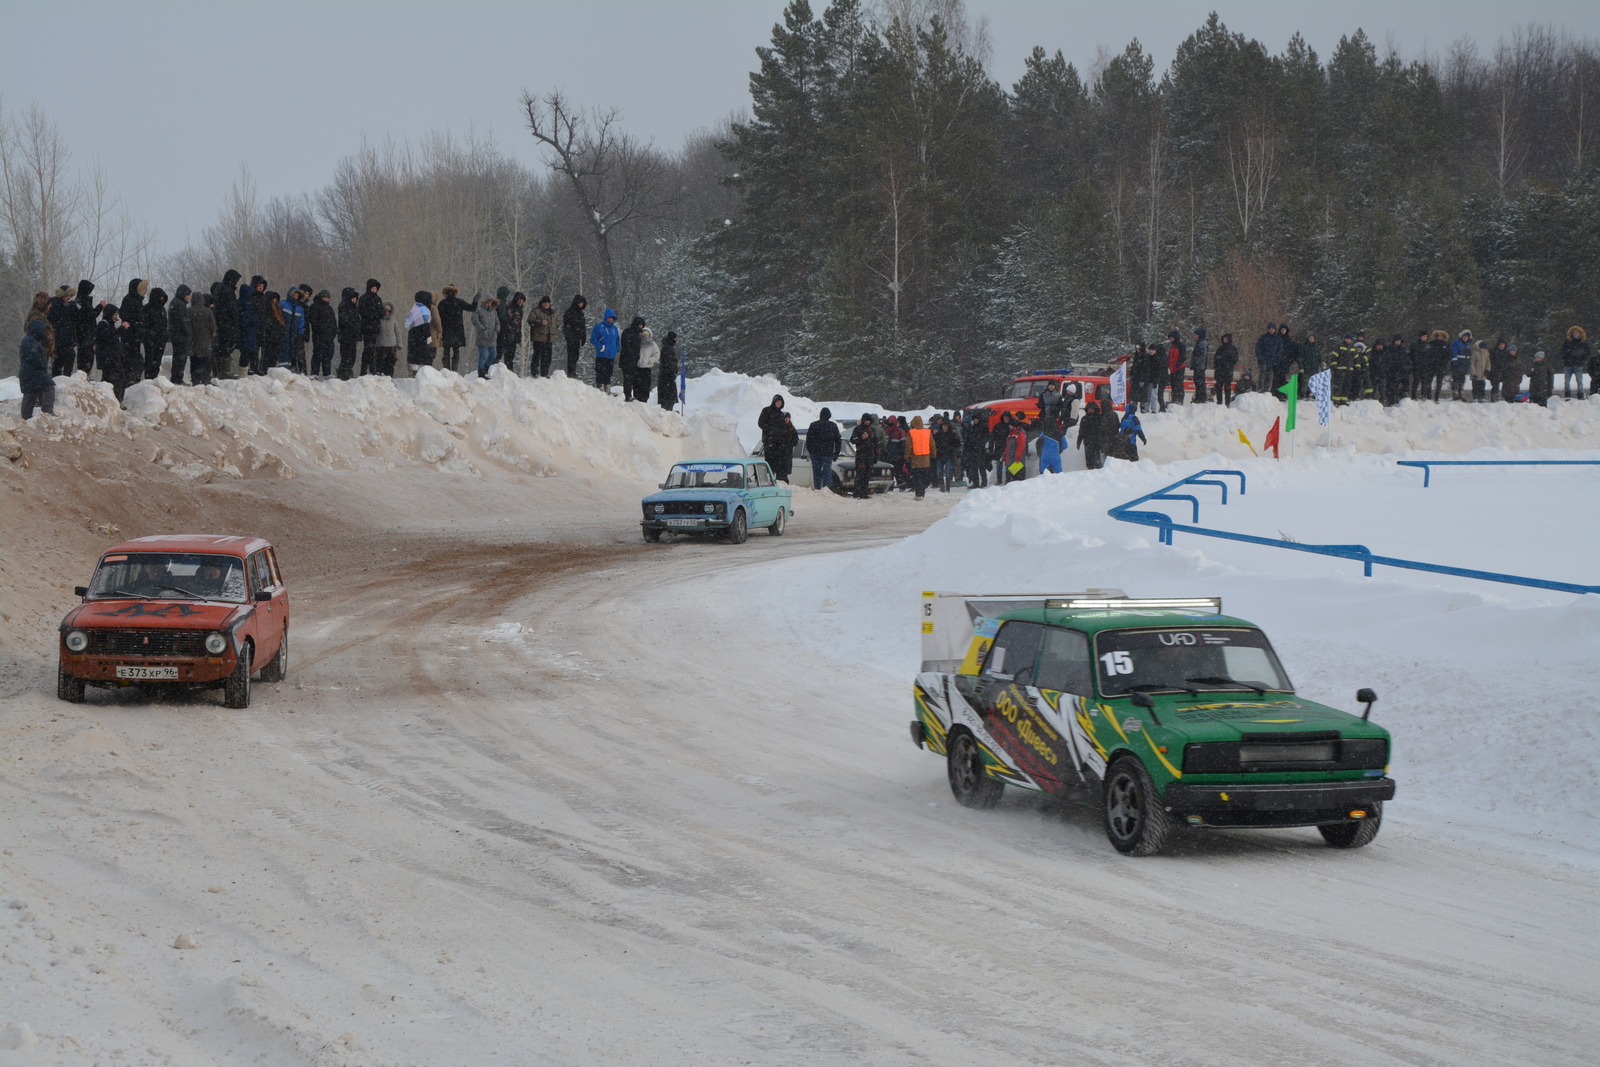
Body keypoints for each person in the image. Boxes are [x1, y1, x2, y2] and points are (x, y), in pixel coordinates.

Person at [19, 320, 54, 418]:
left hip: (29, 373)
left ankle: (26, 417)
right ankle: (47, 412)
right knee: (48, 387)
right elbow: (34, 357)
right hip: (33, 373)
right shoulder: (30, 342)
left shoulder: (30, 340)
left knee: (30, 394)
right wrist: (42, 364)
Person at [95, 305, 129, 400]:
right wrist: (121, 329)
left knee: (119, 379)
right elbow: (109, 338)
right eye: (114, 314)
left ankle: (118, 400)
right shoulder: (103, 325)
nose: (116, 316)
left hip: (113, 359)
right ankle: (113, 400)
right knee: (112, 381)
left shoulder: (110, 325)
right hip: (108, 360)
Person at [211, 270, 241, 377]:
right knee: (226, 347)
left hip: (221, 322)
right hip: (227, 323)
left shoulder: (220, 289)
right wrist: (235, 320)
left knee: (221, 347)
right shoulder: (228, 291)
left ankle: (219, 372)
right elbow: (232, 309)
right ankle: (225, 371)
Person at [436, 285, 471, 373]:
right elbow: (471, 308)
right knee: (456, 350)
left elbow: (438, 318)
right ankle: (454, 372)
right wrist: (475, 301)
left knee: (446, 351)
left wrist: (439, 329)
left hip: (447, 330)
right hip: (457, 330)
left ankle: (447, 371)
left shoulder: (442, 303)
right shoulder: (459, 302)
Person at [46, 285, 76, 377]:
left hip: (66, 339)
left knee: (66, 359)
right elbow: (57, 319)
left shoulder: (65, 305)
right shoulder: (54, 304)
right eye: (67, 295)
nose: (69, 298)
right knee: (60, 361)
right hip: (59, 339)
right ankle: (60, 379)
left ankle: (64, 378)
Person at [306, 290, 336, 378]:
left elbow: (333, 322)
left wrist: (334, 331)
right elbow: (313, 321)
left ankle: (327, 373)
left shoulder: (329, 308)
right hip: (319, 335)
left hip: (329, 336)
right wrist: (321, 329)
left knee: (328, 355)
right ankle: (314, 372)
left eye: (327, 298)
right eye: (324, 297)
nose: (326, 299)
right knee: (318, 354)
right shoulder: (315, 307)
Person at [120, 279, 147, 372]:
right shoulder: (129, 299)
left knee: (135, 358)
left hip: (135, 334)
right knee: (130, 359)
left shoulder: (137, 300)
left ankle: (133, 376)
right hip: (130, 334)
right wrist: (136, 322)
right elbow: (124, 314)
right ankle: (130, 377)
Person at [167, 285, 193, 384]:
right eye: (187, 294)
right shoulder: (179, 304)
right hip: (180, 336)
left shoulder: (175, 303)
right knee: (180, 359)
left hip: (177, 335)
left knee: (178, 358)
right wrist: (188, 332)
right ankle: (177, 378)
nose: (188, 297)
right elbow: (183, 321)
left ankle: (176, 377)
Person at [358, 278, 384, 374]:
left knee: (371, 349)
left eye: (375, 288)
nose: (374, 290)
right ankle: (369, 369)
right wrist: (373, 314)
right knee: (368, 348)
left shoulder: (378, 299)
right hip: (366, 327)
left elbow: (381, 312)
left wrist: (375, 315)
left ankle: (367, 369)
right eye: (372, 288)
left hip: (375, 327)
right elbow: (362, 311)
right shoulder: (364, 298)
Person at [849, 414, 879, 498]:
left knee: (867, 475)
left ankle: (864, 493)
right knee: (860, 475)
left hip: (870, 456)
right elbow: (852, 440)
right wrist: (861, 438)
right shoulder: (858, 429)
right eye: (865, 420)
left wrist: (876, 455)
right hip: (861, 456)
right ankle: (857, 493)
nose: (867, 422)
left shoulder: (872, 430)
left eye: (868, 420)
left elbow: (875, 444)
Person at [190, 290, 216, 385]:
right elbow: (213, 327)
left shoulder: (189, 311)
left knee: (194, 361)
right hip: (205, 341)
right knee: (205, 361)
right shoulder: (207, 311)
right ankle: (205, 379)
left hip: (193, 341)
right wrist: (210, 336)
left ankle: (195, 380)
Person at [589, 308, 619, 389]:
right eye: (609, 318)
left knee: (609, 373)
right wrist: (600, 346)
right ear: (605, 317)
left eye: (612, 318)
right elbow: (593, 339)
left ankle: (607, 387)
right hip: (601, 355)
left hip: (611, 355)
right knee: (600, 372)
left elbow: (617, 340)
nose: (610, 319)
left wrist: (617, 348)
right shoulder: (599, 327)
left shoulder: (615, 329)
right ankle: (600, 387)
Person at [336, 287, 362, 379]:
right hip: (346, 335)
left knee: (351, 356)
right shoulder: (344, 306)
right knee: (346, 356)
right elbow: (345, 321)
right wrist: (354, 327)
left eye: (355, 298)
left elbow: (357, 321)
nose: (354, 300)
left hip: (352, 335)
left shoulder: (353, 307)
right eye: (353, 298)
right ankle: (344, 373)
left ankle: (347, 372)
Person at [619, 315, 646, 400]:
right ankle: (627, 395)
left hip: (633, 360)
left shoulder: (637, 334)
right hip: (627, 359)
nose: (641, 327)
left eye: (642, 326)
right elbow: (625, 345)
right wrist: (631, 354)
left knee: (632, 379)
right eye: (640, 325)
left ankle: (631, 395)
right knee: (628, 378)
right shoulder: (628, 332)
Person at [406, 291, 436, 370]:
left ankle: (414, 372)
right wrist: (428, 335)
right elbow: (425, 324)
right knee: (424, 356)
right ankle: (424, 373)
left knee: (414, 357)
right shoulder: (424, 310)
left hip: (413, 336)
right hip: (421, 336)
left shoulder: (414, 309)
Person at [767, 411, 799, 483]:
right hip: (778, 455)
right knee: (779, 475)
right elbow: (773, 440)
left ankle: (784, 484)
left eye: (788, 418)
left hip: (787, 455)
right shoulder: (778, 428)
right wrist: (779, 446)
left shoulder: (792, 429)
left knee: (784, 474)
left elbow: (795, 440)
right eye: (785, 418)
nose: (787, 419)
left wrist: (789, 444)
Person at [472, 295, 500, 376]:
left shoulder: (493, 311)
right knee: (483, 355)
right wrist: (482, 328)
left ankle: (486, 368)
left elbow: (497, 322)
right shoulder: (478, 310)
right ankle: (481, 371)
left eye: (490, 302)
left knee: (493, 354)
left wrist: (496, 330)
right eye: (487, 302)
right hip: (482, 337)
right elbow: (475, 320)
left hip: (492, 337)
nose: (489, 304)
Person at [74, 280, 97, 375]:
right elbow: (90, 315)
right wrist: (100, 307)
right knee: (85, 358)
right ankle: (83, 375)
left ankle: (85, 374)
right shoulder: (80, 302)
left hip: (87, 334)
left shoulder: (84, 301)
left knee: (88, 358)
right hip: (84, 334)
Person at [528, 296, 555, 378]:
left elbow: (557, 322)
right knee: (537, 355)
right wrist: (540, 322)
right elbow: (530, 321)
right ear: (542, 303)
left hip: (549, 338)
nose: (547, 304)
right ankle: (534, 372)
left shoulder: (553, 313)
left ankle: (545, 373)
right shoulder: (535, 311)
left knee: (547, 357)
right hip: (538, 338)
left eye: (548, 302)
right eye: (545, 302)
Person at [1560, 326, 1590, 398]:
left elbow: (1587, 352)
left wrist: (1582, 358)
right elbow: (1562, 351)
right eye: (1574, 332)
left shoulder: (1583, 343)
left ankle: (1580, 394)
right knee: (1567, 381)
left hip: (1578, 365)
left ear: (1580, 333)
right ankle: (1567, 394)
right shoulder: (1567, 342)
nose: (1575, 334)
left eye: (1577, 332)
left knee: (1579, 381)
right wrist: (1566, 357)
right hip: (1568, 364)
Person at [1076, 397, 1105, 470]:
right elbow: (1081, 431)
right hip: (1087, 441)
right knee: (1089, 459)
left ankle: (1098, 470)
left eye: (1092, 409)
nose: (1090, 410)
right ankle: (1090, 470)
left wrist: (1102, 440)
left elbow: (1102, 430)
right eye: (1089, 409)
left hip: (1096, 441)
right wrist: (1079, 441)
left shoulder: (1099, 418)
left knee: (1097, 458)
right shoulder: (1084, 418)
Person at [562, 294, 588, 377]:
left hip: (577, 337)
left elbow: (583, 326)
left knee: (576, 355)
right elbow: (567, 325)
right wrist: (570, 334)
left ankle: (573, 371)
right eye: (579, 303)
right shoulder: (569, 312)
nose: (581, 305)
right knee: (571, 355)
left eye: (582, 303)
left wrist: (583, 336)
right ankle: (571, 371)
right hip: (571, 336)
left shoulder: (581, 313)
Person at [1255, 322, 1283, 397]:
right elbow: (1258, 348)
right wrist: (1260, 358)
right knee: (1262, 373)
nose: (1271, 330)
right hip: (1263, 359)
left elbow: (1279, 351)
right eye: (1270, 328)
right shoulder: (1263, 337)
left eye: (1273, 329)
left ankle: (1267, 388)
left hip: (1272, 360)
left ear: (1275, 329)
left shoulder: (1278, 339)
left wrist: (1276, 360)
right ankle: (1260, 388)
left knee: (1269, 375)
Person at [933, 415, 960, 492]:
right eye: (943, 425)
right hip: (940, 455)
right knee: (939, 473)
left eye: (946, 425)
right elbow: (934, 443)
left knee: (948, 473)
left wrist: (952, 449)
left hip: (949, 456)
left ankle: (947, 488)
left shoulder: (953, 434)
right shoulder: (938, 434)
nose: (944, 427)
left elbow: (957, 444)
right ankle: (942, 487)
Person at [960, 413, 989, 487]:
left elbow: (986, 438)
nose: (975, 420)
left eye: (977, 419)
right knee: (974, 468)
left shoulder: (983, 428)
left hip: (980, 450)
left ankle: (984, 482)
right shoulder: (972, 428)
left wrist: (980, 445)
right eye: (974, 419)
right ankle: (976, 483)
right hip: (973, 450)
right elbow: (969, 438)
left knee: (981, 467)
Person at [501, 291, 525, 373]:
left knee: (512, 352)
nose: (521, 302)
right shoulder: (509, 307)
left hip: (515, 333)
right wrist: (509, 331)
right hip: (508, 333)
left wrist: (519, 334)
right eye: (519, 300)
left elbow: (519, 323)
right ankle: (507, 369)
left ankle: (510, 369)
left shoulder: (520, 309)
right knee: (507, 352)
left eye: (522, 300)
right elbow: (507, 321)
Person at [374, 302, 401, 376]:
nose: (387, 312)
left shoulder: (394, 321)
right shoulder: (378, 320)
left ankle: (389, 377)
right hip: (380, 345)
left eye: (389, 311)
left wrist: (399, 344)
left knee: (390, 363)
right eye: (385, 310)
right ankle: (380, 376)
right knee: (379, 362)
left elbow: (398, 332)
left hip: (391, 346)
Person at [636, 326, 660, 401]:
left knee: (646, 385)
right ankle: (637, 399)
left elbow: (657, 354)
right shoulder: (638, 343)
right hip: (638, 367)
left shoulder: (653, 344)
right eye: (644, 334)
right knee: (637, 385)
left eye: (647, 334)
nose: (645, 336)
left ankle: (644, 399)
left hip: (647, 368)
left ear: (650, 335)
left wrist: (649, 360)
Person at [1001, 415, 1028, 483]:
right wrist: (1004, 454)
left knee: (1015, 480)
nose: (1009, 426)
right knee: (1010, 479)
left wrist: (1017, 458)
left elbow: (1021, 446)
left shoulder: (1020, 433)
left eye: (1010, 425)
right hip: (1011, 460)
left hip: (1016, 462)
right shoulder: (1012, 433)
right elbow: (1008, 446)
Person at [1212, 332, 1237, 405]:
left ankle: (1227, 403)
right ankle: (1219, 402)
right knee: (1219, 387)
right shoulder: (1220, 348)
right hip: (1220, 370)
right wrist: (1218, 365)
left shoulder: (1233, 349)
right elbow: (1215, 359)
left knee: (1227, 388)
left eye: (1226, 339)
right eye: (1224, 339)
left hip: (1228, 371)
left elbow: (1234, 359)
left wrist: (1227, 364)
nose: (1224, 340)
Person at [657, 330, 679, 409]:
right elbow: (668, 363)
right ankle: (667, 410)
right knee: (668, 397)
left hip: (667, 376)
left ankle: (668, 409)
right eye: (675, 338)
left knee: (668, 397)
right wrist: (672, 371)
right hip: (667, 377)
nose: (675, 340)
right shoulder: (667, 349)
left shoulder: (668, 348)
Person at [1165, 330, 1187, 406]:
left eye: (1172, 338)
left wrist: (1178, 364)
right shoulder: (1172, 346)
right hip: (1173, 368)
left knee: (1178, 384)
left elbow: (1183, 356)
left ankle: (1179, 400)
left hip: (1179, 368)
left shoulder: (1181, 346)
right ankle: (1174, 399)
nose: (1170, 339)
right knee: (1173, 384)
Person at [1449, 330, 1473, 400]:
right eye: (1464, 336)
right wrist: (1455, 360)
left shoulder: (1468, 345)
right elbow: (1454, 351)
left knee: (1462, 379)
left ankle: (1460, 393)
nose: (1465, 338)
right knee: (1456, 378)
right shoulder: (1456, 343)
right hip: (1457, 364)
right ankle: (1455, 393)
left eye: (1467, 337)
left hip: (1464, 364)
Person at [1190, 327, 1209, 403]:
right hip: (1197, 366)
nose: (1195, 336)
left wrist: (1196, 362)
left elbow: (1202, 356)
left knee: (1200, 382)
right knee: (1197, 382)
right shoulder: (1199, 343)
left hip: (1200, 367)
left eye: (1197, 335)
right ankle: (1198, 397)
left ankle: (1201, 398)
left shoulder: (1203, 343)